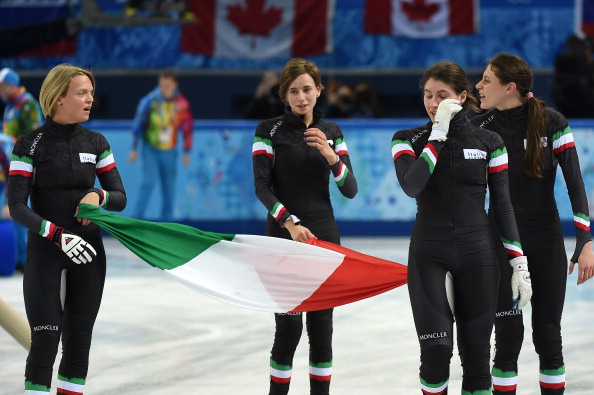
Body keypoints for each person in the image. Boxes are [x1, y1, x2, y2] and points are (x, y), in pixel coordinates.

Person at [391, 61, 532, 394]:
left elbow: (503, 205)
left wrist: (518, 260)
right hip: (429, 254)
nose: (432, 103)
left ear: (462, 96)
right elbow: (413, 185)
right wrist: (437, 135)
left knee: (478, 362)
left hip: (478, 255)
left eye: (442, 95)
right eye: (428, 95)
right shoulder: (406, 139)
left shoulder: (490, 141)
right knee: (436, 356)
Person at [472, 52, 594, 394]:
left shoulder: (552, 122)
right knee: (507, 338)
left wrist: (585, 240)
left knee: (547, 334)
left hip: (545, 241)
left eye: (486, 80)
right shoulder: (478, 126)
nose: (478, 86)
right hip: (498, 243)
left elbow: (575, 183)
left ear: (509, 88)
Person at [7, 63, 127, 394]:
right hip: (46, 249)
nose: (90, 99)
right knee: (46, 338)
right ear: (59, 97)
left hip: (88, 250)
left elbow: (119, 197)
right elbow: (17, 206)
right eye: (82, 93)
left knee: (78, 341)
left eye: (91, 92)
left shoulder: (97, 142)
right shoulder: (28, 145)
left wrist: (98, 195)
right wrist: (57, 235)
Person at [252, 58, 358, 395]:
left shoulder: (332, 133)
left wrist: (332, 157)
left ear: (318, 90)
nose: (302, 97)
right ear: (284, 94)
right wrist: (290, 223)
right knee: (288, 328)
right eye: (294, 91)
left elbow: (350, 189)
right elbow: (262, 188)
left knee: (322, 327)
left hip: (325, 237)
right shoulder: (267, 130)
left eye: (307, 89)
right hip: (283, 238)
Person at [128, 69, 192, 222]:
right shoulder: (150, 100)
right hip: (150, 148)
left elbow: (188, 127)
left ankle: (168, 225)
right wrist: (134, 148)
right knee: (148, 182)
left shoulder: (182, 104)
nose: (165, 88)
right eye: (162, 85)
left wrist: (186, 151)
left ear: (175, 85)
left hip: (170, 151)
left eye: (168, 85)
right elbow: (138, 123)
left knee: (169, 188)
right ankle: (136, 222)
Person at [0, 67, 44, 272]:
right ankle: (18, 260)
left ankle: (29, 261)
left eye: (1, 87)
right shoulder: (10, 107)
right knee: (13, 214)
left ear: (10, 85)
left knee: (22, 213)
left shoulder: (27, 104)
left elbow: (37, 137)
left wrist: (13, 144)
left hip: (25, 168)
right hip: (11, 167)